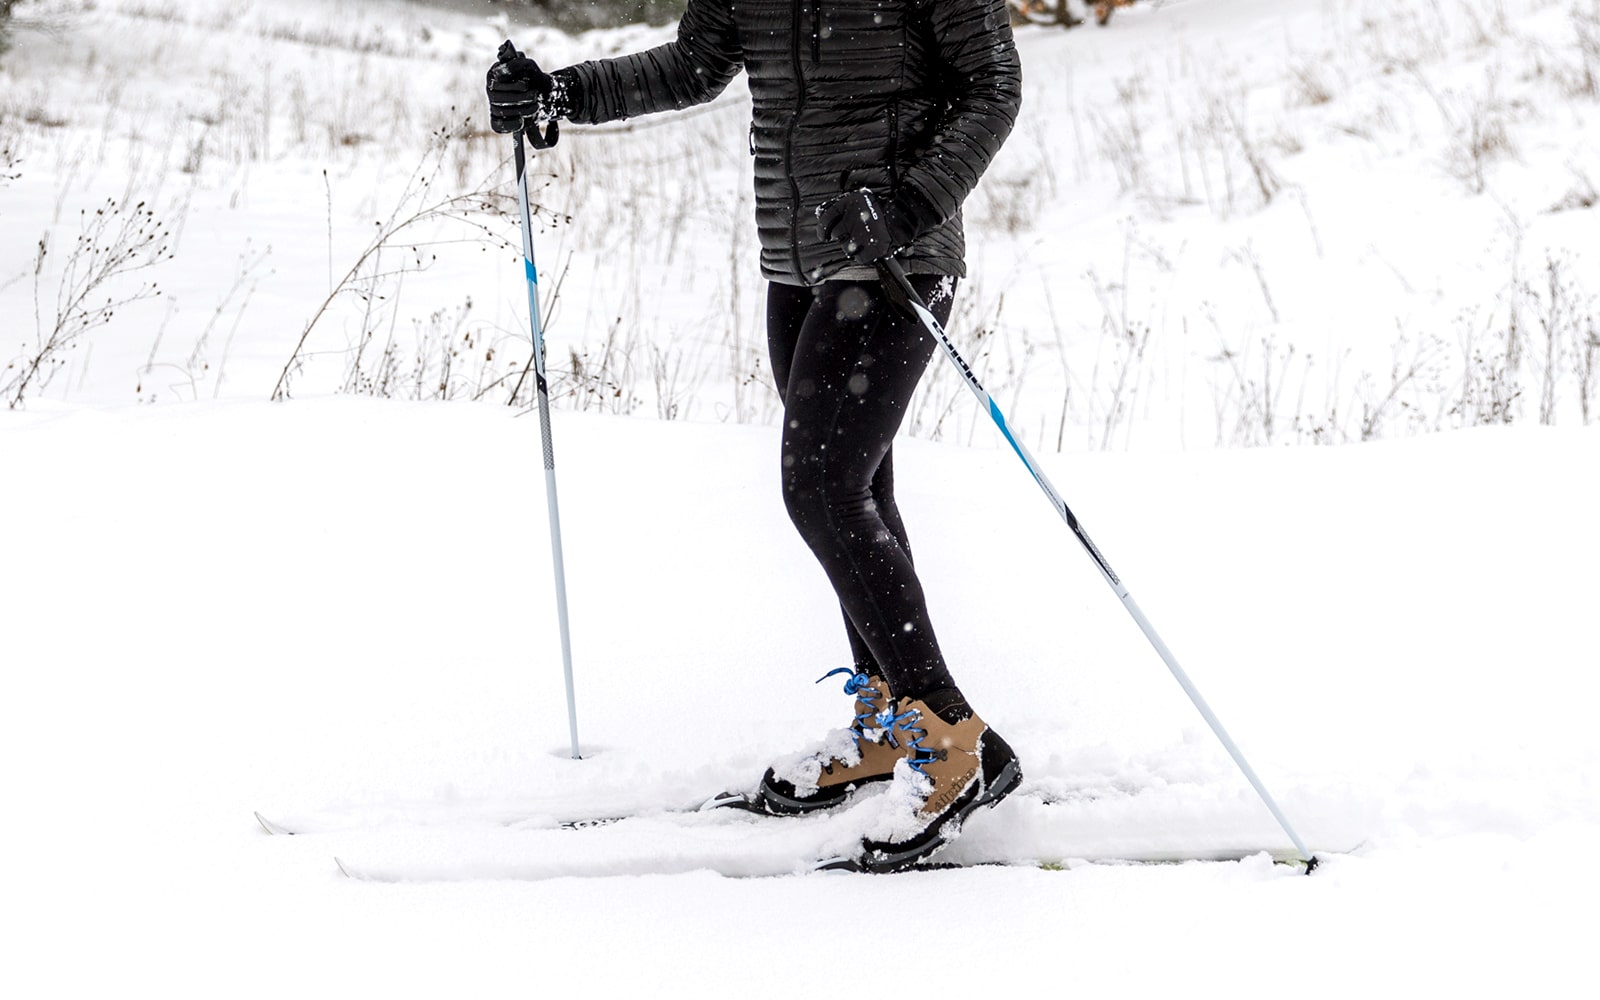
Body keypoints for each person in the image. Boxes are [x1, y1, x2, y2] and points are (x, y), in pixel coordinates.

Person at [487, 0, 1023, 871]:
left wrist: (911, 201)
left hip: (895, 257)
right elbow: (696, 63)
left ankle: (951, 736)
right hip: (800, 265)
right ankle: (890, 721)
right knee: (858, 490)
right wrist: (562, 93)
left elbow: (993, 87)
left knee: (822, 488)